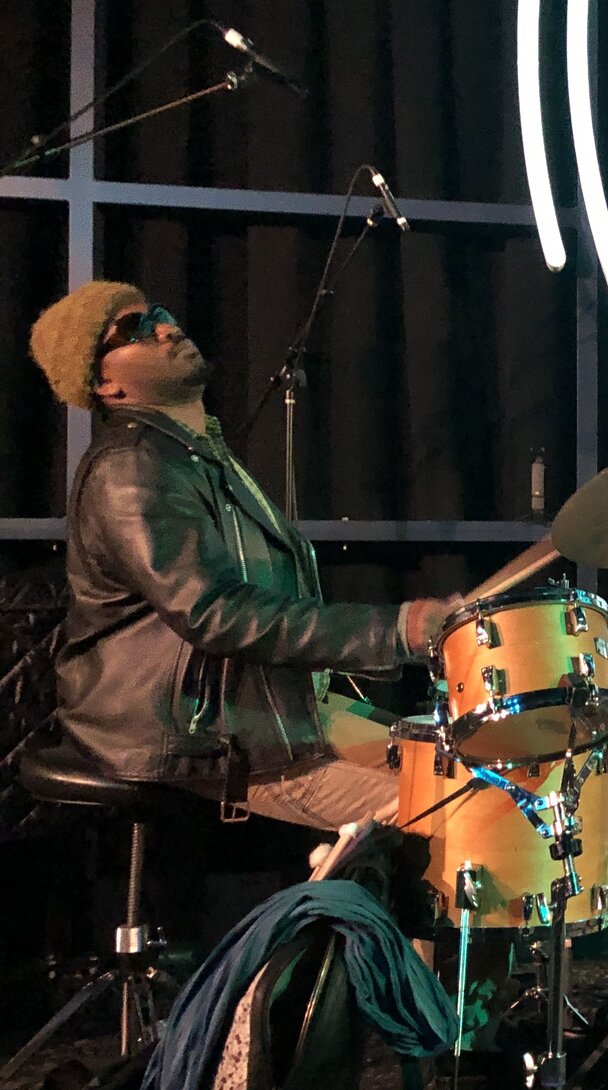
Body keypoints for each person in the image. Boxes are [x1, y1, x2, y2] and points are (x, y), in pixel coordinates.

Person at [28, 280, 457, 841]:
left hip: (256, 708)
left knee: (455, 764)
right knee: (460, 815)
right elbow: (214, 612)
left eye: (159, 313)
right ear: (106, 383)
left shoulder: (194, 452)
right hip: (191, 730)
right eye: (135, 329)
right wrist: (400, 630)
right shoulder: (131, 466)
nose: (165, 328)